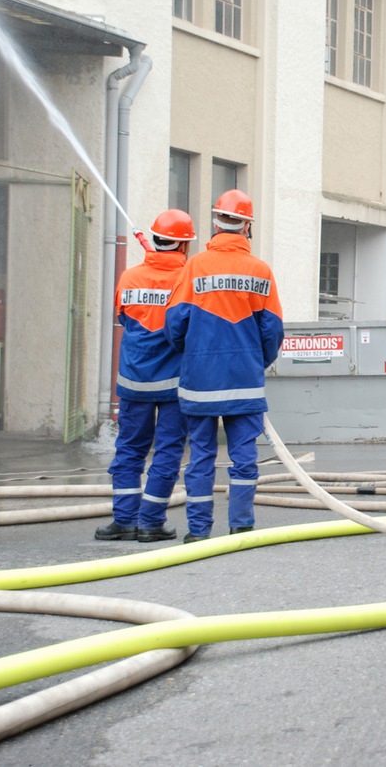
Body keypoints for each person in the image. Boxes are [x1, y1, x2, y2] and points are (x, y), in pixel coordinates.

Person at [165, 189, 284, 543]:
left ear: (215, 224)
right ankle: (241, 526)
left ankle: (199, 532)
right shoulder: (260, 271)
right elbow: (273, 329)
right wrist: (256, 360)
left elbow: (174, 323)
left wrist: (192, 353)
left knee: (201, 456)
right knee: (243, 458)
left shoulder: (194, 267)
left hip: (200, 381)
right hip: (244, 379)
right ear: (247, 226)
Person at [96, 210, 194, 543]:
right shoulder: (188, 279)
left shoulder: (129, 277)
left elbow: (124, 318)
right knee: (167, 450)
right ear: (183, 245)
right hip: (173, 382)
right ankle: (151, 522)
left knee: (129, 449)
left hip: (134, 379)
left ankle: (123, 519)